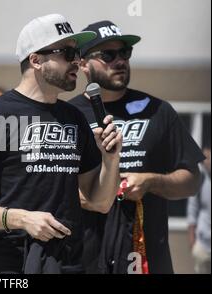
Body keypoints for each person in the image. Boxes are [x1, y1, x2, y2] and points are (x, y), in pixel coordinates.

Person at [0, 14, 123, 274]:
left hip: (69, 263)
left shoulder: (74, 118)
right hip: (12, 266)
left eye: (77, 53)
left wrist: (111, 159)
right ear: (35, 60)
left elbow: (100, 202)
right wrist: (20, 219)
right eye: (66, 52)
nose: (77, 60)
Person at [68, 20, 205, 274]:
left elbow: (193, 180)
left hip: (147, 259)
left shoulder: (158, 111)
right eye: (108, 54)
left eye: (125, 53)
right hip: (84, 258)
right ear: (83, 64)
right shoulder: (67, 116)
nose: (120, 61)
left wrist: (152, 182)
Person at [187, 144, 211, 274]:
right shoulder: (200, 180)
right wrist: (192, 241)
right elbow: (192, 210)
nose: (205, 162)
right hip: (202, 245)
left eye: (207, 157)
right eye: (204, 158)